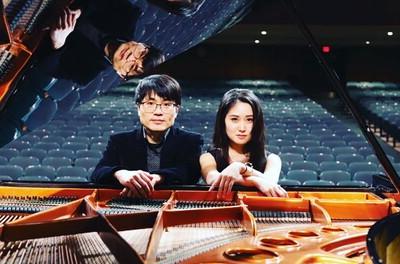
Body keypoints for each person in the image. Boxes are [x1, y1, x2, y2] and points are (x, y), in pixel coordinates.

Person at [91, 74, 204, 198]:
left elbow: (189, 172)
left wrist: (157, 178)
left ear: (176, 110)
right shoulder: (120, 141)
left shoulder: (191, 140)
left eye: (166, 104)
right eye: (150, 103)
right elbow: (98, 173)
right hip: (128, 207)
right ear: (138, 108)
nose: (158, 112)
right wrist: (120, 173)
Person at [200, 88, 288, 199]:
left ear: (257, 123)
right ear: (223, 122)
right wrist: (254, 181)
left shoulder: (272, 159)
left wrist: (241, 168)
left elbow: (270, 183)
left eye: (249, 120)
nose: (242, 128)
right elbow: (214, 179)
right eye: (234, 119)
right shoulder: (207, 157)